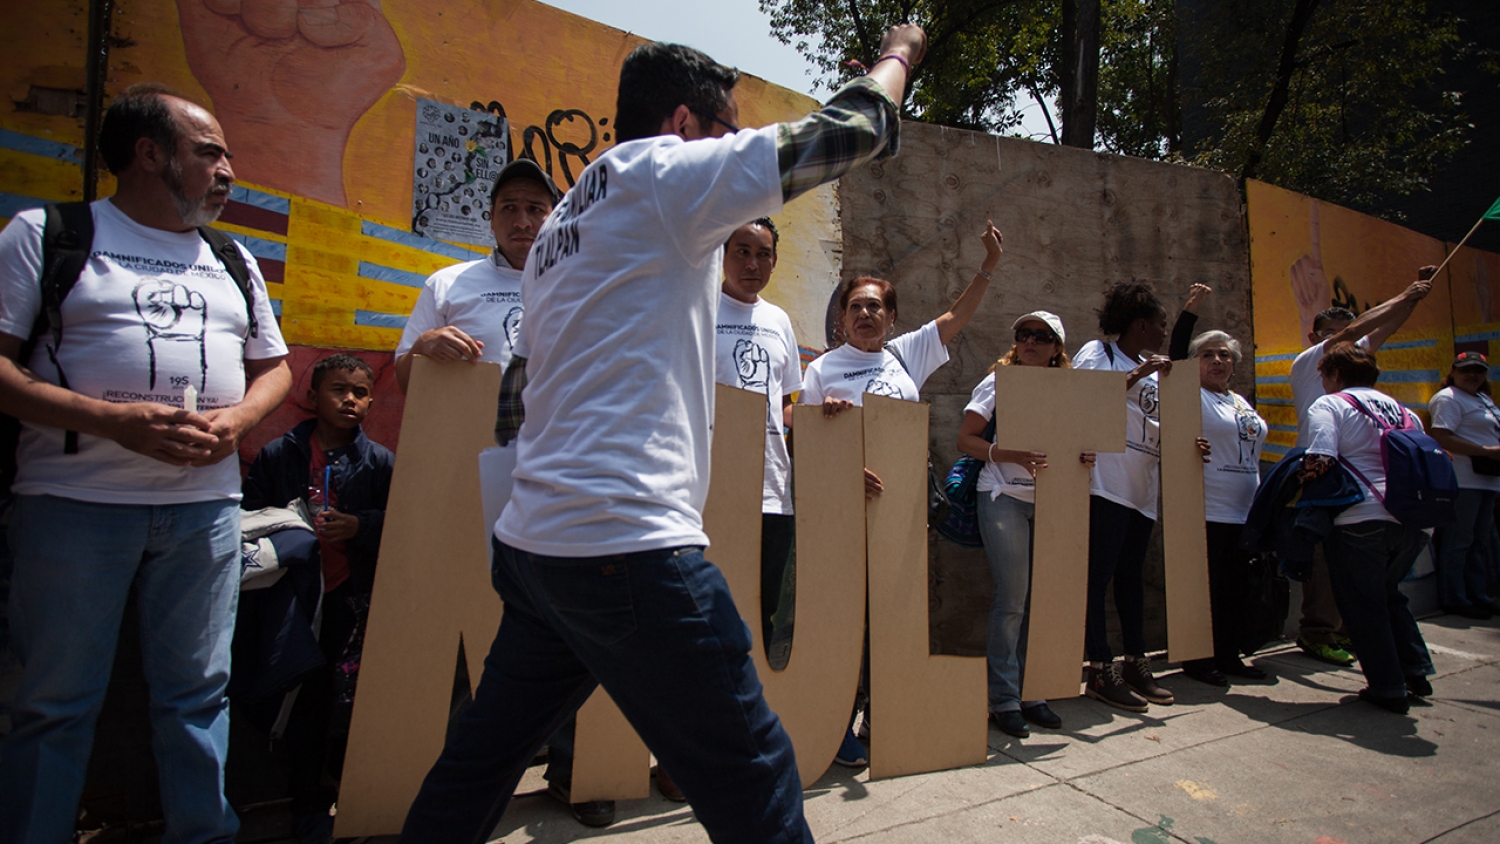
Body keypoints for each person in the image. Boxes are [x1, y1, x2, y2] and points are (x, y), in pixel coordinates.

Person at [400, 27, 927, 844]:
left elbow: (517, 395)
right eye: (727, 130)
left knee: (479, 763)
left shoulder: (562, 230)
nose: (732, 154)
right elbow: (851, 132)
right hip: (625, 546)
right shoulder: (662, 176)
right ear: (684, 125)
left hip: (539, 552)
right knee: (755, 773)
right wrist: (898, 55)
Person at [0, 84, 291, 842]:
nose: (229, 169)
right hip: (72, 506)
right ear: (148, 152)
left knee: (198, 697)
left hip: (203, 514)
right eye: (210, 152)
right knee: (53, 703)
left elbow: (275, 370)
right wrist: (113, 423)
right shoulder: (47, 235)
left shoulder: (233, 258)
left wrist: (237, 422)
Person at [799, 222, 1002, 764]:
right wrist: (840, 455)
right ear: (841, 320)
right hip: (843, 516)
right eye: (856, 308)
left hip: (903, 512)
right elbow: (804, 442)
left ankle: (882, 716)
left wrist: (989, 264)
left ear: (892, 318)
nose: (866, 315)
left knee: (894, 618)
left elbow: (957, 316)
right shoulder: (822, 370)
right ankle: (836, 723)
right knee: (844, 621)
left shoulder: (905, 356)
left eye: (876, 308)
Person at [241, 354, 394, 842]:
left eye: (361, 392)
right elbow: (247, 520)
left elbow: (403, 523)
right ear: (311, 398)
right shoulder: (277, 455)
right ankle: (306, 805)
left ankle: (353, 802)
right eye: (338, 390)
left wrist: (360, 526)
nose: (350, 399)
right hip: (293, 602)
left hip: (351, 599)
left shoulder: (381, 462)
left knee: (348, 703)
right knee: (301, 702)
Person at [956, 311, 1094, 738]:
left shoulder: (1071, 392)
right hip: (1003, 497)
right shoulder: (997, 381)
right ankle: (1004, 699)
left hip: (1055, 502)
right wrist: (1009, 453)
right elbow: (966, 439)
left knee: (1046, 602)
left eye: (1041, 336)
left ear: (1057, 349)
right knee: (1012, 600)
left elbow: (1081, 444)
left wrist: (1085, 456)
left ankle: (1035, 691)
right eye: (1023, 334)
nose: (1030, 341)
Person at [1072, 282, 1208, 713]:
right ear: (1141, 324)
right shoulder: (1100, 354)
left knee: (1131, 578)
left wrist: (1190, 443)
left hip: (1143, 491)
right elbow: (1083, 402)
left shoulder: (1160, 367)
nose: (1165, 333)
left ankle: (1135, 662)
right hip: (1105, 485)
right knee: (1096, 579)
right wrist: (1139, 374)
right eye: (1162, 325)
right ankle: (1099, 668)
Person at [1288, 272, 1433, 665]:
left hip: (1367, 493)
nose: (1346, 338)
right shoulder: (1310, 363)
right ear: (1315, 339)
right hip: (1324, 477)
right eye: (1332, 333)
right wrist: (1404, 292)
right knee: (1323, 561)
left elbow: (1381, 329)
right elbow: (1357, 329)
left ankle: (1355, 635)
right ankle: (1318, 631)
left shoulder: (1362, 381)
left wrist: (1412, 300)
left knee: (1367, 580)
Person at [1300, 343, 1436, 714]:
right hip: (1412, 522)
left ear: (1336, 376)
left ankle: (1388, 687)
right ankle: (1415, 672)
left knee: (1363, 604)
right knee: (1388, 593)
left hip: (1360, 518)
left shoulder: (1332, 404)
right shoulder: (1405, 412)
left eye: (1325, 376)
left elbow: (1321, 457)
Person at [393, 158, 561, 393]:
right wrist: (423, 346)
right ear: (491, 217)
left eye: (535, 209)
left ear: (556, 219)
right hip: (469, 429)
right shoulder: (445, 285)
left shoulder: (581, 289)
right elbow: (405, 383)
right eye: (509, 208)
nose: (522, 222)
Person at [1179, 330, 1270, 686]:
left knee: (1235, 588)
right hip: (1208, 508)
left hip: (1244, 510)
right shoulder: (1190, 396)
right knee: (1207, 588)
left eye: (1224, 355)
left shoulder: (1239, 401)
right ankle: (1198, 660)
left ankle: (1228, 655)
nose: (1217, 361)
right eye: (1207, 355)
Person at [1427, 351, 1500, 620]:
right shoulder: (1448, 398)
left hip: (1487, 481)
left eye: (1478, 371)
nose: (1473, 375)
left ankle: (1477, 595)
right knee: (1459, 540)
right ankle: (1454, 597)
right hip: (1463, 479)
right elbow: (1441, 436)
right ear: (1453, 372)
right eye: (1466, 370)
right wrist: (1486, 451)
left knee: (1479, 541)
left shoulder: (1482, 398)